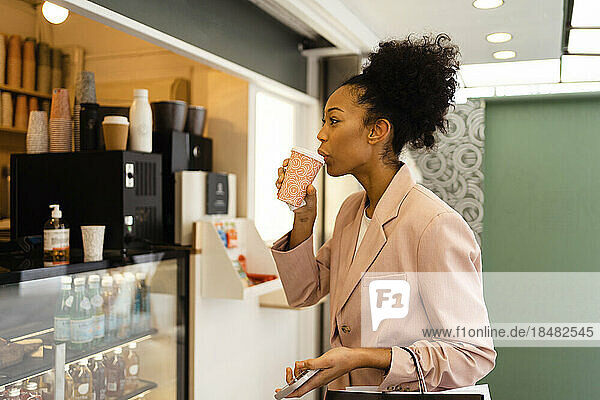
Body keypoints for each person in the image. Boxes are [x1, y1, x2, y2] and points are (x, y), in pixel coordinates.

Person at [272, 34, 496, 397]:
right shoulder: (350, 212)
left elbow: (472, 356)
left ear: (377, 130)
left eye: (333, 121)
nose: (320, 136)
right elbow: (304, 292)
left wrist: (365, 357)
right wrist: (303, 222)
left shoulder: (434, 226)